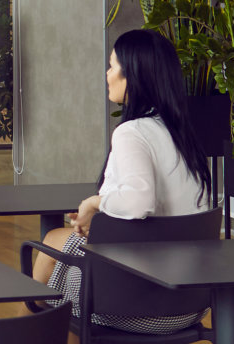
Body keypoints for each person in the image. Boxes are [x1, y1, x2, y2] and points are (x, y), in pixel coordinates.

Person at [30, 29, 215, 334]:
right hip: (189, 307)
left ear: (135, 77)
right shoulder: (182, 135)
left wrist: (93, 203)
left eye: (113, 66)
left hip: (128, 307)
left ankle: (33, 331)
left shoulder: (132, 133)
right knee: (63, 238)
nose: (107, 74)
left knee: (52, 242)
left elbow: (138, 201)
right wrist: (104, 223)